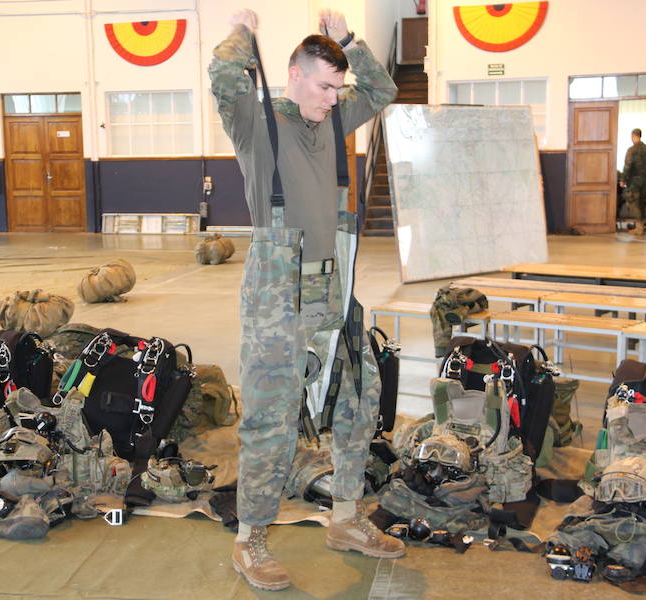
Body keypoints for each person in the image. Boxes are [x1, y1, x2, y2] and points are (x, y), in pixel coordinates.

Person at [209, 8, 402, 592]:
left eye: (337, 88)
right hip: (277, 293)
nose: (333, 97)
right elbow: (223, 74)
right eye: (323, 85)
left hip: (333, 288)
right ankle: (251, 541)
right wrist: (243, 30)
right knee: (271, 421)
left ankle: (345, 519)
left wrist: (347, 41)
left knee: (357, 402)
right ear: (292, 75)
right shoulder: (254, 119)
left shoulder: (331, 119)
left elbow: (383, 87)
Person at [619, 128, 646, 221]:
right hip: (645, 180)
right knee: (642, 202)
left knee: (633, 202)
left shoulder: (632, 150)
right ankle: (641, 225)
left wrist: (622, 179)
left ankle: (639, 225)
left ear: (633, 136)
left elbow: (627, 166)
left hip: (633, 181)